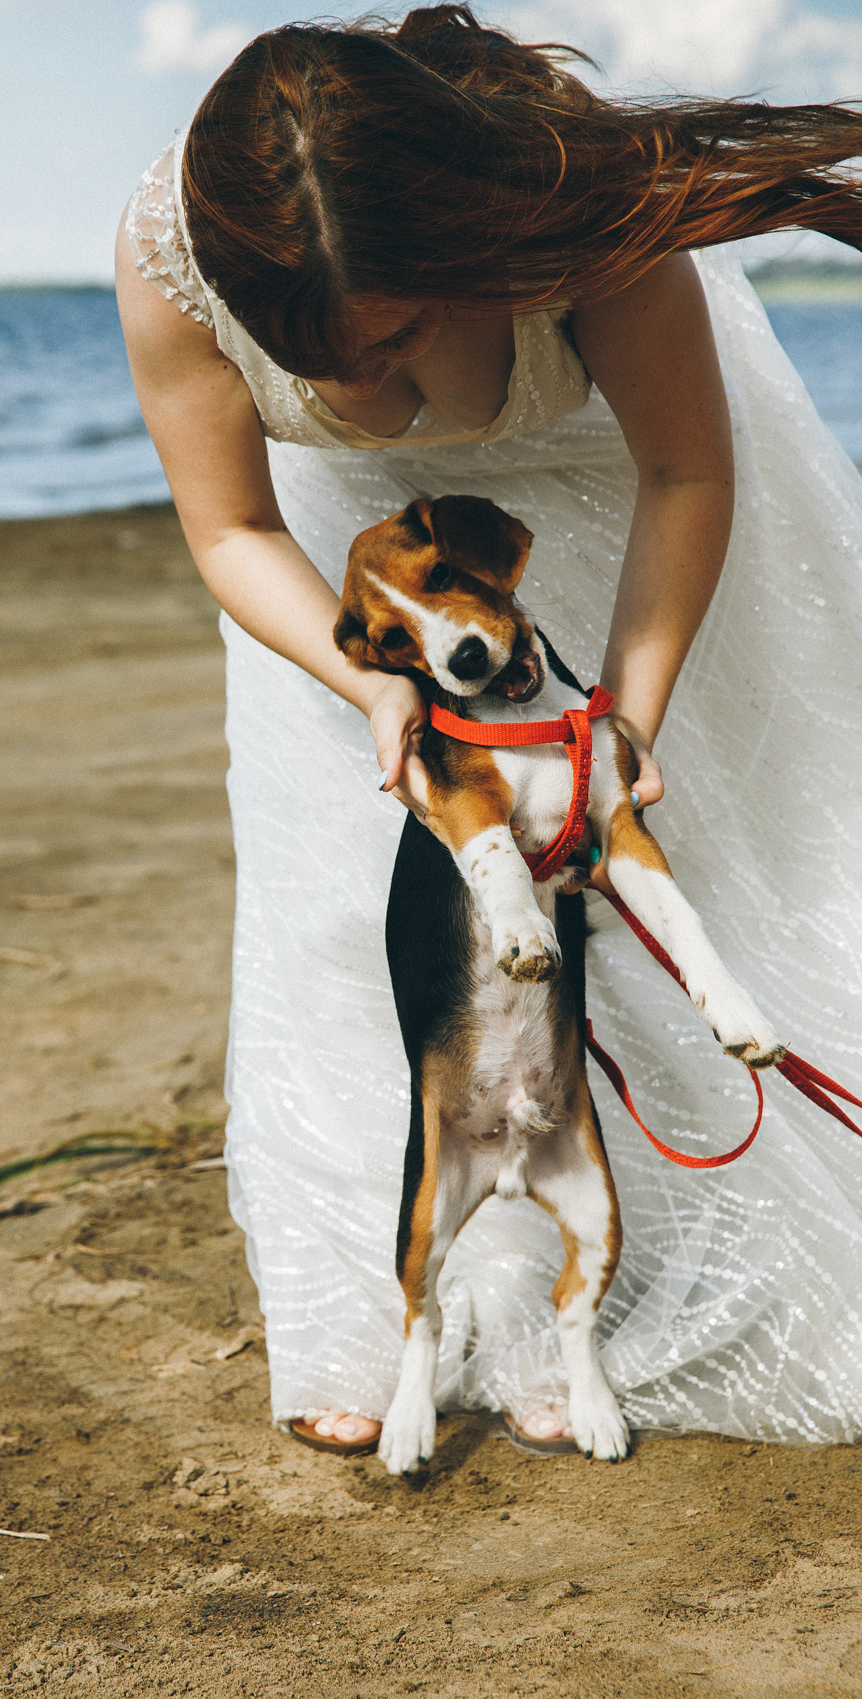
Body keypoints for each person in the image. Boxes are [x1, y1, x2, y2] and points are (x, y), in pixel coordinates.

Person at [116, 5, 862, 1455]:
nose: (358, 394)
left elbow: (687, 473)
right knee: (360, 922)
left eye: (393, 337)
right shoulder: (174, 267)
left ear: (463, 260)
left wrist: (619, 729)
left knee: (694, 866)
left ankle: (627, 1271)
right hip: (372, 580)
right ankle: (418, 1301)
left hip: (625, 503)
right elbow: (231, 526)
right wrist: (374, 684)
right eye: (310, 360)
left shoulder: (578, 218)